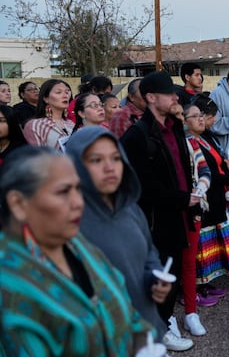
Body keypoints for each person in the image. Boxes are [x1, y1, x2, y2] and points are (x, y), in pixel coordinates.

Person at [0, 146, 153, 355]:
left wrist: (144, 343)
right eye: (63, 191)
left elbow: (126, 308)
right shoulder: (9, 288)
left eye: (78, 189)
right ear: (18, 203)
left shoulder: (78, 244)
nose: (78, 202)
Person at [65, 126, 171, 339]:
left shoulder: (130, 207)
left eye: (115, 158)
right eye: (96, 160)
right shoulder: (67, 222)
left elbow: (149, 253)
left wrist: (156, 278)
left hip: (147, 332)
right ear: (75, 165)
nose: (109, 168)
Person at [120, 71, 197, 351]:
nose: (176, 97)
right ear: (151, 98)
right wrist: (182, 199)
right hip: (153, 222)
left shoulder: (175, 127)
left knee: (172, 274)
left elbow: (183, 170)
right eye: (169, 93)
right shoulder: (136, 137)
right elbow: (142, 187)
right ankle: (154, 333)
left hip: (178, 214)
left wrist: (190, 201)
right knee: (157, 279)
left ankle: (160, 328)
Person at [184, 102, 229, 298]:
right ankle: (197, 288)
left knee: (211, 243)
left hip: (216, 195)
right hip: (203, 198)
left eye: (201, 115)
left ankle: (206, 284)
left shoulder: (204, 138)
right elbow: (205, 172)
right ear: (184, 121)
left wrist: (228, 174)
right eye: (194, 116)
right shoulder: (188, 143)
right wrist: (228, 178)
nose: (200, 118)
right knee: (201, 245)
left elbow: (216, 165)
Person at [23, 79, 74, 150]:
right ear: (45, 98)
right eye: (58, 92)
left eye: (67, 91)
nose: (65, 96)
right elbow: (37, 156)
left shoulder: (71, 124)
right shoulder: (35, 125)